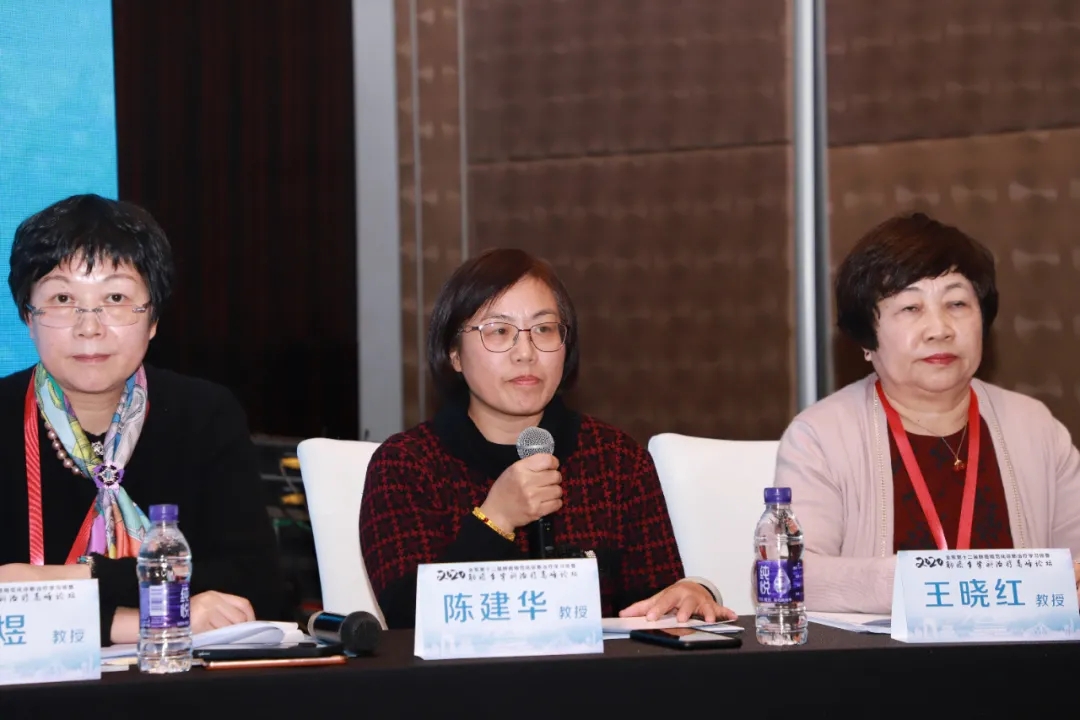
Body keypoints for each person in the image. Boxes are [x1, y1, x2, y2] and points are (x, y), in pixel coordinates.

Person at [360, 248, 733, 628]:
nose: (526, 353)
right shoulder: (406, 466)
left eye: (543, 329)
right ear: (453, 353)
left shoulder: (616, 460)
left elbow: (654, 606)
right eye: (499, 331)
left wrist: (686, 595)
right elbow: (407, 620)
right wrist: (496, 519)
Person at [0, 194, 283, 643]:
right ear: (27, 317)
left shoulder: (204, 414)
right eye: (62, 298)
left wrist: (67, 578)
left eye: (115, 298)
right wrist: (142, 621)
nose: (89, 327)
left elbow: (256, 584)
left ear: (153, 318)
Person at [775, 212, 1080, 613]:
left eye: (957, 303)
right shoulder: (821, 436)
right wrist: (919, 583)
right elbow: (787, 576)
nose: (940, 329)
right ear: (867, 338)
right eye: (911, 308)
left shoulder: (1035, 427)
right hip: (882, 654)